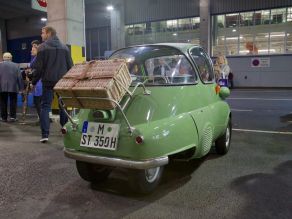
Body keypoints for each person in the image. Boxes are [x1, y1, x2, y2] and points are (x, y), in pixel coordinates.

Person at [31, 26, 73, 143]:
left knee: (45, 106)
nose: (41, 35)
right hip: (62, 82)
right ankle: (65, 129)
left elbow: (39, 68)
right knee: (63, 106)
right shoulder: (65, 48)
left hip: (48, 81)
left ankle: (45, 135)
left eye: (42, 33)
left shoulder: (42, 47)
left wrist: (34, 81)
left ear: (49, 33)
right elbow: (70, 66)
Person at [0, 52, 24, 122]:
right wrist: (21, 88)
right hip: (13, 86)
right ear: (11, 58)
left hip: (2, 86)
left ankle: (3, 118)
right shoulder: (16, 65)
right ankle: (13, 117)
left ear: (3, 58)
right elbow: (19, 77)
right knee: (13, 101)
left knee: (3, 102)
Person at [27, 40, 42, 121]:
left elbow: (37, 71)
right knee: (39, 102)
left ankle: (42, 119)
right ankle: (42, 118)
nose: (31, 49)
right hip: (38, 82)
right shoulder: (35, 58)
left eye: (34, 47)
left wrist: (31, 76)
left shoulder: (38, 58)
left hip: (39, 83)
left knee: (38, 102)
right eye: (32, 47)